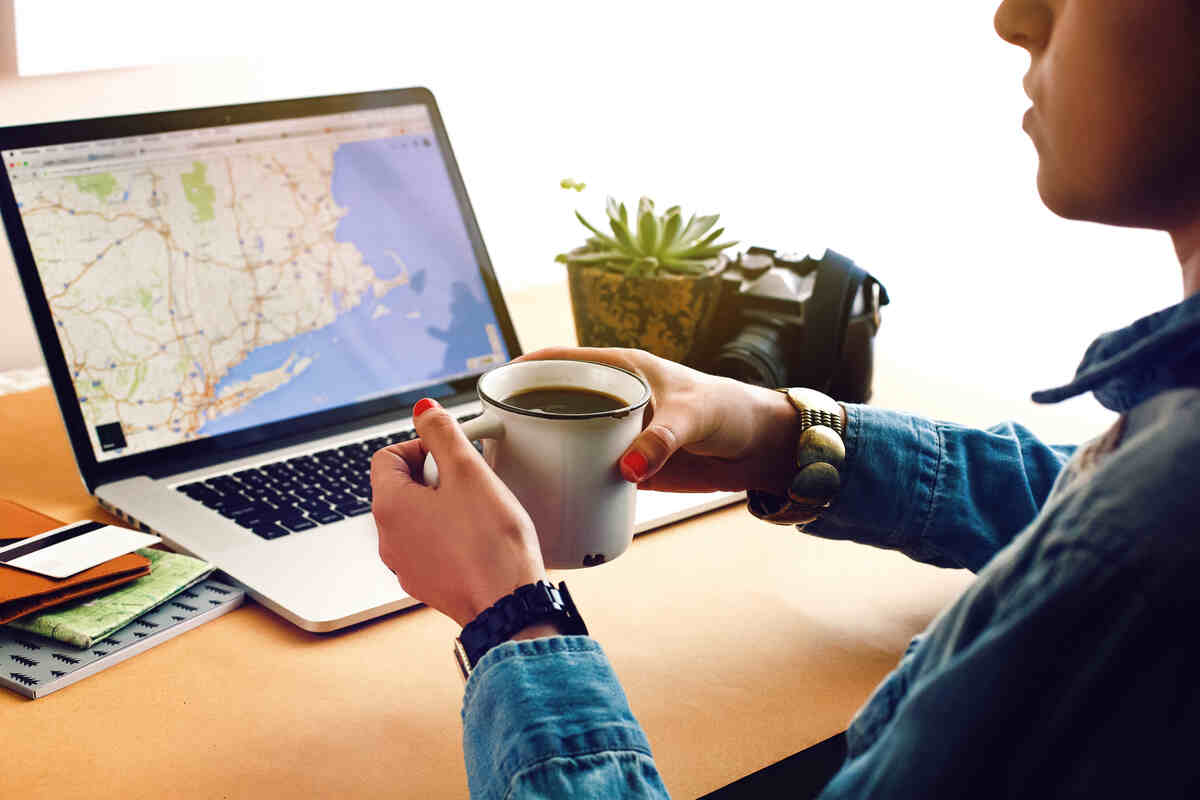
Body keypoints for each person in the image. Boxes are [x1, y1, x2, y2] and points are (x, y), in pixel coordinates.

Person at [370, 0, 1200, 796]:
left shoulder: (1154, 529)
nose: (1013, 16)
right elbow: (1074, 506)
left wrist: (511, 622)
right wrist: (785, 436)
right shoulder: (1156, 477)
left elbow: (1116, 537)